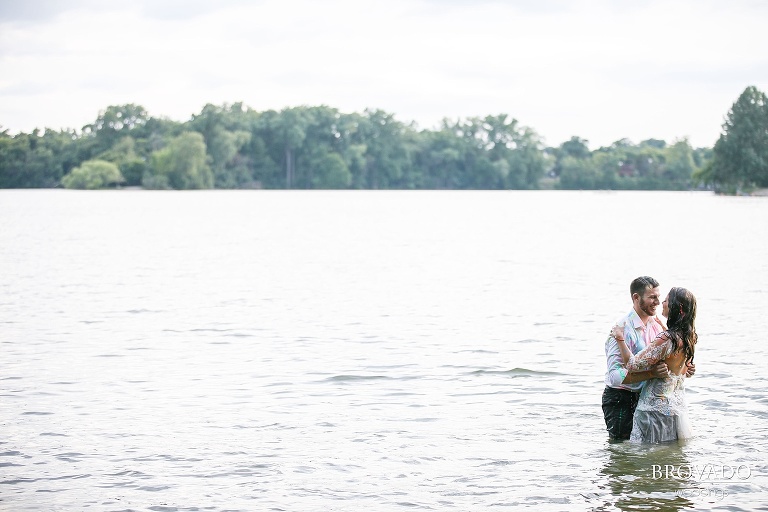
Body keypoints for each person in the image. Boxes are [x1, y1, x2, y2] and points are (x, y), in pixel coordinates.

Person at [612, 287, 698, 443]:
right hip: (674, 409)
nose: (662, 303)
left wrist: (620, 338)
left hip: (653, 409)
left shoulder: (667, 338)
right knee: (667, 458)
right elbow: (679, 365)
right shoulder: (690, 336)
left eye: (666, 300)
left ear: (676, 308)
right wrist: (664, 327)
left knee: (645, 457)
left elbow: (632, 364)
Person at [602, 276, 672, 440]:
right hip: (620, 399)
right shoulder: (622, 328)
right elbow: (614, 376)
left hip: (646, 397)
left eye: (658, 297)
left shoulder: (657, 326)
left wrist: (680, 366)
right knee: (622, 453)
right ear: (636, 297)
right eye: (652, 297)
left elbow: (660, 359)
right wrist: (652, 374)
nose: (657, 302)